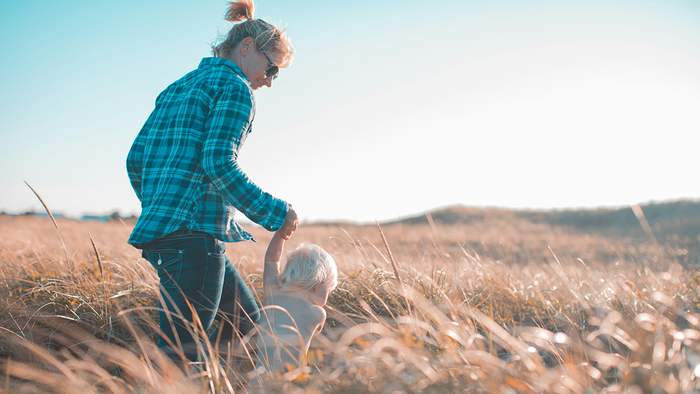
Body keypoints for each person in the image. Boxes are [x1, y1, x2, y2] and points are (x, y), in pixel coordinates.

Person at [125, 0, 298, 369]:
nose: (269, 80)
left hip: (169, 233)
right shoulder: (237, 88)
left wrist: (162, 206)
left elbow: (135, 160)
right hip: (194, 239)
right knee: (177, 359)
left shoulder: (178, 86)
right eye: (272, 69)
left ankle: (213, 377)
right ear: (248, 47)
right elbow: (219, 163)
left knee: (249, 327)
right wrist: (276, 212)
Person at [255, 233, 338, 375]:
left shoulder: (273, 294)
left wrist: (281, 235)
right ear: (317, 285)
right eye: (328, 291)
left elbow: (271, 260)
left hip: (258, 381)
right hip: (289, 382)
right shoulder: (318, 314)